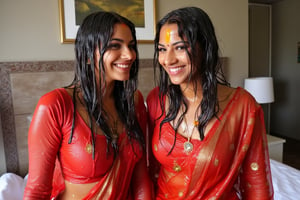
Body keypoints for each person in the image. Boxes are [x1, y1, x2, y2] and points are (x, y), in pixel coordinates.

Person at [146, 7, 274, 200]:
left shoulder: (242, 106)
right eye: (162, 50)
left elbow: (256, 181)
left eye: (180, 47)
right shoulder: (156, 99)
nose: (168, 60)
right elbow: (153, 173)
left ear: (204, 47)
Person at [24, 11, 152, 200]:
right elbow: (36, 191)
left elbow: (140, 179)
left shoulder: (134, 101)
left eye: (131, 46)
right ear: (87, 55)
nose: (129, 55)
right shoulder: (55, 105)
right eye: (115, 46)